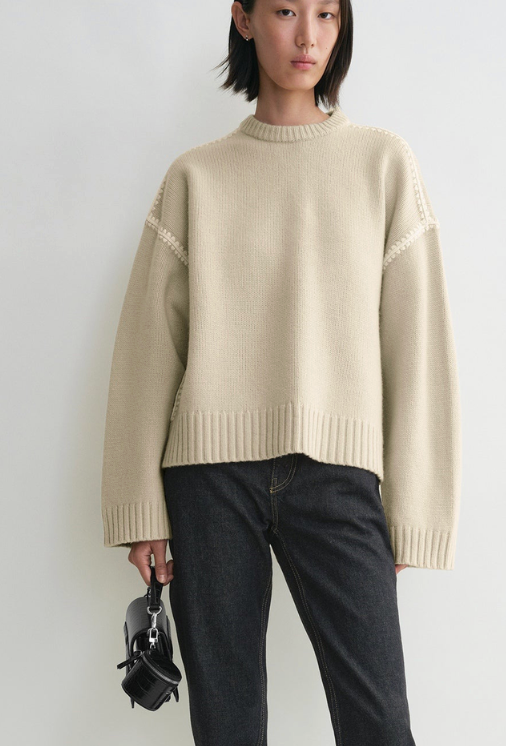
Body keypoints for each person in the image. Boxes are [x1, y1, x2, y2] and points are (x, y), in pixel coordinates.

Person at [101, 1, 461, 744]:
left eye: (327, 14)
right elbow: (147, 349)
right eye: (287, 10)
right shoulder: (195, 177)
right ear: (243, 18)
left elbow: (417, 342)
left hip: (338, 478)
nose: (308, 36)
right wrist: (138, 507)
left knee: (380, 724)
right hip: (209, 482)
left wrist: (415, 509)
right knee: (227, 727)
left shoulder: (383, 164)